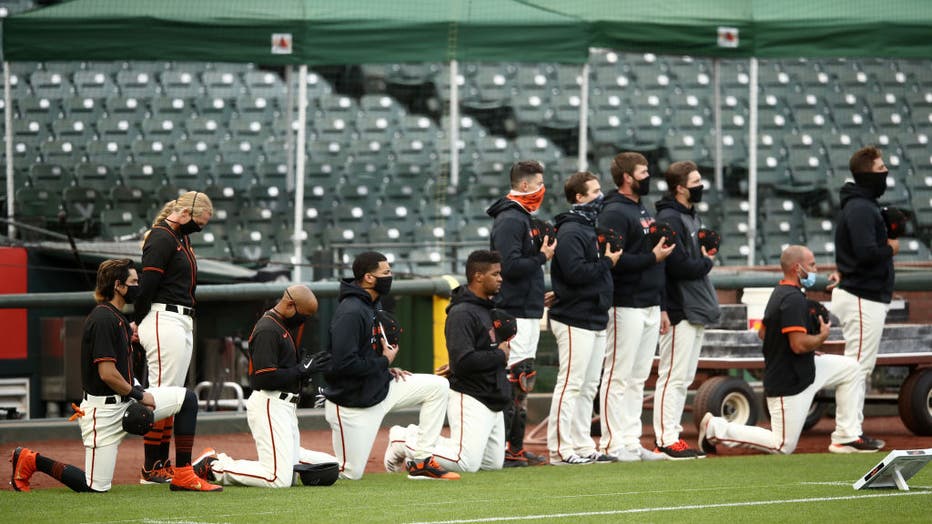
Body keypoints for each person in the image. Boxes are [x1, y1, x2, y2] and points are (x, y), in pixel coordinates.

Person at [10, 259, 221, 492]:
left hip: (125, 400)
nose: (138, 286)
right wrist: (140, 396)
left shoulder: (118, 317)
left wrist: (138, 391)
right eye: (133, 282)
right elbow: (107, 374)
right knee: (95, 487)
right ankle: (32, 460)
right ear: (118, 285)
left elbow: (122, 372)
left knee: (187, 399)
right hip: (104, 413)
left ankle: (183, 474)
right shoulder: (103, 319)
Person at [698, 246, 885, 455]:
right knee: (782, 446)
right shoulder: (792, 299)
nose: (816, 269)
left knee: (851, 368)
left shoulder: (782, 292)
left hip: (803, 367)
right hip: (789, 380)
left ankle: (846, 437)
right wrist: (820, 338)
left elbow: (763, 334)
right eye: (812, 264)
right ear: (798, 268)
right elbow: (798, 345)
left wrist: (807, 350)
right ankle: (715, 429)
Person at [323, 251, 458, 480]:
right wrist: (384, 361)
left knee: (438, 387)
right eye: (385, 272)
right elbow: (343, 364)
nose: (390, 276)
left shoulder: (371, 304)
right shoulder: (351, 311)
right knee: (348, 474)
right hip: (354, 403)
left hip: (380, 386)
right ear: (368, 277)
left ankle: (421, 461)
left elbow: (366, 352)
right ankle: (293, 460)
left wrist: (384, 368)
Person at [191, 285, 339, 488]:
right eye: (303, 315)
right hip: (270, 404)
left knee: (310, 471)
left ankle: (282, 463)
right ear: (289, 304)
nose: (304, 321)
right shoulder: (268, 329)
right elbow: (263, 379)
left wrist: (301, 371)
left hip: (285, 406)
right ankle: (215, 466)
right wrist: (300, 371)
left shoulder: (281, 325)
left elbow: (283, 372)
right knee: (277, 479)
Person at [385, 250, 511, 473]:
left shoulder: (487, 309)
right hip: (471, 394)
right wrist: (500, 355)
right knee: (465, 463)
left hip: (493, 396)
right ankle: (403, 440)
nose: (500, 278)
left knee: (491, 465)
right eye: (495, 274)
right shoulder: (462, 313)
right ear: (478, 276)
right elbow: (464, 361)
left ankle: (418, 439)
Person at [597, 152, 675, 462]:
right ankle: (612, 442)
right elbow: (613, 260)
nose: (648, 176)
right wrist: (652, 258)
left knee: (638, 377)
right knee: (618, 374)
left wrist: (663, 305)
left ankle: (631, 440)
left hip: (649, 302)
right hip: (625, 302)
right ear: (628, 177)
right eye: (643, 171)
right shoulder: (614, 211)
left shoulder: (640, 208)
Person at [135, 190, 213, 484]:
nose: (202, 226)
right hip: (162, 316)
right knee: (162, 394)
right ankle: (151, 466)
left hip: (180, 318)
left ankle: (159, 464)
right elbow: (148, 284)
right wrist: (137, 319)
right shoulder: (162, 236)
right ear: (185, 213)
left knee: (172, 396)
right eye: (200, 220)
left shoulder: (181, 238)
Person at [546, 172, 621, 465]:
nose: (600, 196)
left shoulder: (588, 228)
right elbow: (576, 273)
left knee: (588, 386)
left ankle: (581, 443)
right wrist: (607, 262)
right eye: (594, 191)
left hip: (593, 315)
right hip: (574, 316)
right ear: (579, 197)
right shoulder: (571, 231)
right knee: (571, 383)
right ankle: (560, 449)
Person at [486, 160, 556, 467]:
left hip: (526, 307)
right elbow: (508, 267)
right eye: (539, 182)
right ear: (524, 185)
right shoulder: (511, 219)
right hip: (513, 309)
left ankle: (515, 447)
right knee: (514, 377)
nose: (543, 188)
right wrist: (542, 255)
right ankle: (503, 449)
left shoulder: (523, 218)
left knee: (522, 376)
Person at [829, 145, 898, 441]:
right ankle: (847, 434)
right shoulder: (859, 207)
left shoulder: (864, 205)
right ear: (866, 174)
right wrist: (891, 247)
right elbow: (866, 253)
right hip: (861, 295)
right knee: (856, 367)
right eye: (881, 169)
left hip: (865, 294)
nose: (885, 174)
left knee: (859, 366)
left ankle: (850, 431)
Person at [652, 161, 720, 459]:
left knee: (683, 376)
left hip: (692, 306)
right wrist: (706, 261)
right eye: (694, 180)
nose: (700, 184)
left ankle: (671, 435)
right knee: (673, 376)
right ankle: (666, 439)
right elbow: (676, 267)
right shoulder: (670, 217)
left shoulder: (688, 216)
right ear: (680, 187)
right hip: (679, 306)